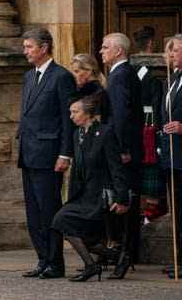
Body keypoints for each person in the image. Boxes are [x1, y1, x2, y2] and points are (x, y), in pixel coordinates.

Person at [18, 28, 76, 279]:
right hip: (29, 152)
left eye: (29, 47)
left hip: (49, 154)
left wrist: (65, 154)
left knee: (49, 209)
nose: (25, 51)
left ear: (44, 48)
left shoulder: (61, 76)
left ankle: (55, 262)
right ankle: (42, 258)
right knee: (33, 213)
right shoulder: (29, 77)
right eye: (25, 47)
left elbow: (67, 119)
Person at [52, 96, 129, 282]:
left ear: (88, 114)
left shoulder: (105, 133)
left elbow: (116, 167)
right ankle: (118, 258)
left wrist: (122, 198)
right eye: (71, 112)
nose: (71, 116)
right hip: (83, 194)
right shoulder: (77, 134)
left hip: (100, 194)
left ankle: (92, 266)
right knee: (79, 233)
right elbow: (78, 169)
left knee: (61, 221)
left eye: (75, 112)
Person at [100, 32, 144, 279]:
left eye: (105, 47)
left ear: (118, 51)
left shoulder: (119, 76)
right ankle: (123, 253)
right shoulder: (121, 74)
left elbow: (122, 117)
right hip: (123, 148)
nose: (101, 51)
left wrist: (122, 149)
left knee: (124, 202)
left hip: (122, 151)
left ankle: (124, 255)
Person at [133, 26, 166, 221]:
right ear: (151, 43)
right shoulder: (154, 73)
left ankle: (148, 215)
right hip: (151, 130)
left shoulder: (128, 68)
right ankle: (150, 215)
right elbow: (156, 104)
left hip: (138, 129)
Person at [159, 34, 182, 279]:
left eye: (174, 50)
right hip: (172, 154)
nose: (171, 54)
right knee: (176, 209)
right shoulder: (172, 79)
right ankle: (178, 258)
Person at [69, 54, 110, 123]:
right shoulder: (81, 91)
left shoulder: (97, 93)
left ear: (89, 71)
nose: (73, 75)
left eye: (76, 71)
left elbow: (97, 123)